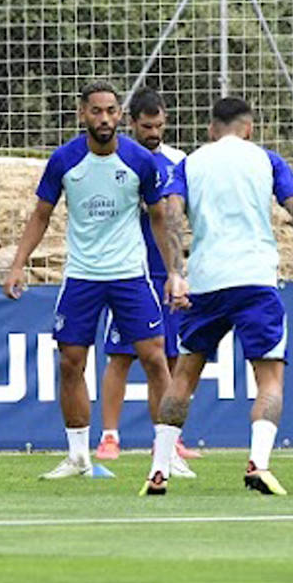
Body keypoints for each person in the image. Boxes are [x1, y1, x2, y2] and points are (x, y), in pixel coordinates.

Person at [3, 80, 184, 494]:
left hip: (129, 274)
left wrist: (175, 270)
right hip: (82, 274)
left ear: (121, 115)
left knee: (156, 358)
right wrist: (18, 265)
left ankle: (166, 454)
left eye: (111, 111)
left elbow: (160, 218)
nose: (105, 118)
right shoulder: (64, 160)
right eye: (97, 111)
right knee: (70, 361)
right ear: (82, 114)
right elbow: (41, 214)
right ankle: (79, 456)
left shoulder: (140, 160)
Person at [154, 97, 293, 496]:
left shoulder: (189, 163)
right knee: (269, 377)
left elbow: (172, 214)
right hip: (255, 279)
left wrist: (176, 272)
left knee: (183, 376)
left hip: (207, 281)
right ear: (249, 128)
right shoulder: (267, 160)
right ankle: (257, 464)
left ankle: (158, 470)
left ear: (212, 129)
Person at [93, 89, 199, 475]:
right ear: (132, 123)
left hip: (167, 269)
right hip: (129, 269)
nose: (154, 132)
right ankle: (109, 435)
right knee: (120, 355)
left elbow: (181, 212)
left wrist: (182, 267)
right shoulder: (116, 158)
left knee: (170, 356)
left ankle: (169, 438)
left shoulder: (178, 161)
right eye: (147, 126)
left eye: (159, 126)